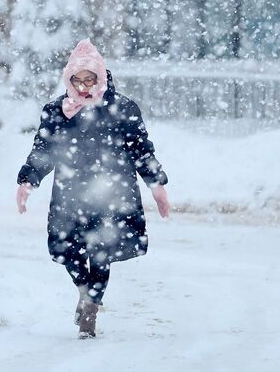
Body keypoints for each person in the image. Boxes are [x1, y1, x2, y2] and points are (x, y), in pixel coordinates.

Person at [16, 38, 170, 339]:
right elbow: (43, 150)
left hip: (111, 193)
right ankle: (84, 290)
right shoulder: (57, 111)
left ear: (102, 76)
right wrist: (27, 180)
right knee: (66, 249)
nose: (85, 86)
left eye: (91, 79)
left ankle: (91, 309)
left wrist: (157, 185)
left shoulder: (122, 108)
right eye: (78, 80)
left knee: (101, 252)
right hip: (70, 195)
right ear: (69, 81)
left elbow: (141, 149)